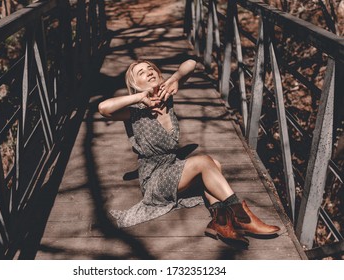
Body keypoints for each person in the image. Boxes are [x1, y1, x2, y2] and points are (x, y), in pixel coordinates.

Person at [98, 59, 280, 246]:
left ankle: (221, 222)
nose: (149, 71)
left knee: (215, 164)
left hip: (172, 167)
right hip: (154, 180)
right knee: (203, 163)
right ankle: (242, 216)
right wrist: (139, 97)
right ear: (136, 84)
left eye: (151, 68)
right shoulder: (133, 112)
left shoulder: (167, 97)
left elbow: (191, 63)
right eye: (141, 72)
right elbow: (103, 108)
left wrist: (176, 78)